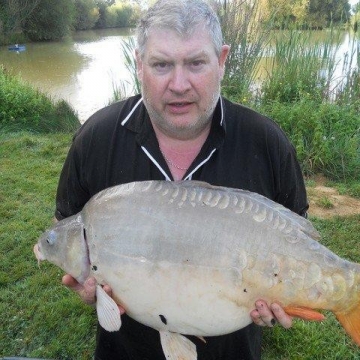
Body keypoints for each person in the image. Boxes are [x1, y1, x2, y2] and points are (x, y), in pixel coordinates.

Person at [55, 0, 308, 358]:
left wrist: (284, 293)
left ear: (221, 61)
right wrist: (83, 277)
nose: (178, 84)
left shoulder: (266, 143)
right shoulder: (96, 139)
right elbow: (66, 226)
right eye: (161, 64)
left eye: (196, 63)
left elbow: (297, 238)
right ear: (139, 64)